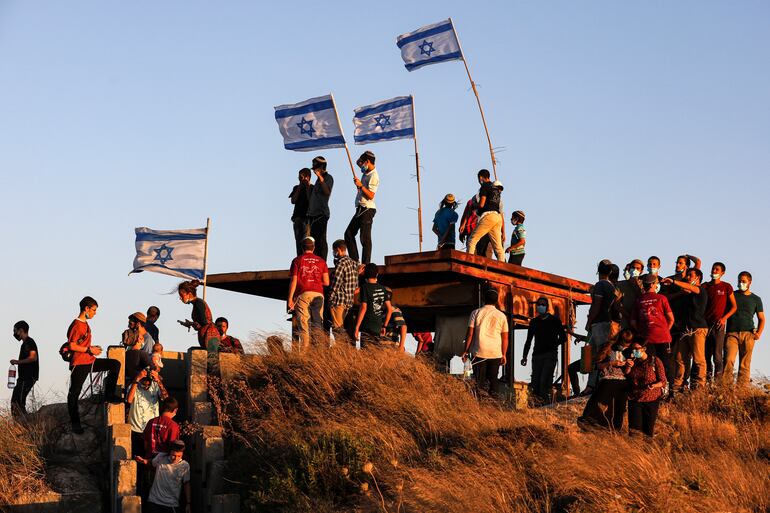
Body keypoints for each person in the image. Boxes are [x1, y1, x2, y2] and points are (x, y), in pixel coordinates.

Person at [66, 296, 122, 434]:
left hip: (89, 360)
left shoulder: (85, 324)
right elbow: (72, 345)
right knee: (74, 394)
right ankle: (75, 424)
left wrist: (92, 348)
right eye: (94, 310)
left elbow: (81, 344)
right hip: (79, 363)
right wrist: (89, 349)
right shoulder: (77, 324)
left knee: (115, 364)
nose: (95, 313)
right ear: (86, 308)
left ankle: (109, 394)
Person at [578, 329, 634, 431]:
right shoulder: (608, 348)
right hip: (608, 379)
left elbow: (627, 373)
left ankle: (615, 429)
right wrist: (611, 364)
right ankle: (591, 423)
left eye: (627, 345)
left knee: (619, 408)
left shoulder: (630, 351)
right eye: (623, 344)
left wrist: (629, 365)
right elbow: (596, 365)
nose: (625, 347)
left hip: (622, 381)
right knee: (599, 403)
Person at [631, 274, 674, 400]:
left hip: (646, 339)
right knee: (666, 364)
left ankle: (653, 391)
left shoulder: (638, 300)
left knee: (650, 365)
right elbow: (671, 319)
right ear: (653, 284)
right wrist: (665, 330)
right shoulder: (661, 298)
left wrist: (641, 332)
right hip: (663, 337)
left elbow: (633, 322)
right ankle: (670, 392)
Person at [665, 268, 709, 390]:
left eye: (691, 276)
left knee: (699, 359)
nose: (688, 278)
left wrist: (674, 282)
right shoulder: (687, 294)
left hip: (698, 329)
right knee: (680, 358)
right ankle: (678, 386)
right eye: (688, 275)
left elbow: (692, 288)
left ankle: (700, 386)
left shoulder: (701, 290)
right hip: (686, 330)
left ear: (698, 278)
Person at [462, 288, 509, 396]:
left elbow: (470, 334)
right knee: (493, 380)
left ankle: (480, 404)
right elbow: (505, 338)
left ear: (484, 299)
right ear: (497, 301)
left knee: (479, 381)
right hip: (495, 352)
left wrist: (465, 350)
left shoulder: (476, 313)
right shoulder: (502, 316)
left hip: (479, 352)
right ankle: (494, 404)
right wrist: (504, 354)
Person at [521, 297, 567, 403]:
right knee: (535, 382)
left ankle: (545, 404)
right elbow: (528, 340)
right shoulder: (534, 322)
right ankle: (536, 404)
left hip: (550, 355)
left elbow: (563, 338)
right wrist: (524, 356)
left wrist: (554, 344)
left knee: (544, 381)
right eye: (539, 304)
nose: (540, 306)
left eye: (543, 304)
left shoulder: (555, 321)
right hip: (537, 355)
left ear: (547, 307)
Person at [723, 272, 764, 386]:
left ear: (749, 282)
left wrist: (758, 333)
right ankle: (725, 389)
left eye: (743, 281)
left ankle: (742, 389)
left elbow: (761, 318)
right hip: (732, 333)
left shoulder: (756, 299)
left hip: (748, 333)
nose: (741, 283)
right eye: (739, 281)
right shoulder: (732, 295)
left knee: (745, 364)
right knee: (728, 360)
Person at [288, 236, 330, 349]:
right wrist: (315, 280)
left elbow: (294, 281)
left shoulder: (297, 260)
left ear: (302, 248)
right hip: (318, 294)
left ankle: (305, 351)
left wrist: (290, 299)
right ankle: (318, 350)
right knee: (317, 322)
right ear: (314, 248)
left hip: (303, 294)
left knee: (304, 324)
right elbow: (326, 282)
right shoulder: (321, 261)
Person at [584, 259, 616, 393]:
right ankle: (594, 384)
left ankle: (596, 385)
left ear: (598, 270)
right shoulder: (612, 286)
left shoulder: (600, 285)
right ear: (610, 271)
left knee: (597, 355)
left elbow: (596, 305)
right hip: (609, 322)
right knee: (600, 353)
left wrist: (589, 321)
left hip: (599, 323)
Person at [702, 262, 737, 381]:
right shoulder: (705, 286)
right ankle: (707, 382)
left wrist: (723, 318)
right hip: (705, 325)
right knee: (706, 355)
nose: (714, 271)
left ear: (722, 273)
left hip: (719, 325)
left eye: (717, 269)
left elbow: (734, 307)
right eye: (713, 269)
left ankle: (718, 384)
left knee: (717, 356)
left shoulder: (726, 287)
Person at [177, 280, 220, 371]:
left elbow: (204, 322)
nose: (180, 298)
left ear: (188, 294)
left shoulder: (198, 303)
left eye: (181, 295)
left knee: (212, 367)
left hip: (210, 337)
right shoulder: (196, 303)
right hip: (208, 337)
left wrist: (191, 323)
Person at [626, 341, 667, 438]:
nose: (634, 351)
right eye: (633, 349)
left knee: (648, 430)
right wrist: (628, 367)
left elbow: (663, 380)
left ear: (644, 349)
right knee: (634, 431)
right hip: (635, 398)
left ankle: (646, 451)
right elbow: (627, 377)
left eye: (637, 349)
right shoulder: (633, 362)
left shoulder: (654, 361)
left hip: (651, 399)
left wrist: (654, 385)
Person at [344, 151, 379, 264]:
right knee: (348, 234)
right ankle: (355, 260)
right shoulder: (366, 173)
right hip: (360, 208)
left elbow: (371, 195)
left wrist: (361, 186)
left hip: (367, 209)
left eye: (362, 163)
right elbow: (357, 162)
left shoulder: (374, 175)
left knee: (365, 238)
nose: (360, 166)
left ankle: (365, 263)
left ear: (368, 162)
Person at [127, 368, 168, 459]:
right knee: (136, 458)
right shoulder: (134, 385)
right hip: (136, 429)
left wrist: (158, 381)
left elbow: (166, 399)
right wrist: (137, 380)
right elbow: (129, 400)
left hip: (152, 429)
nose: (146, 387)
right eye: (144, 384)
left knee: (152, 459)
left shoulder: (155, 385)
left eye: (148, 385)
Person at [144, 440, 191, 513]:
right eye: (173, 455)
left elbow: (186, 483)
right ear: (169, 452)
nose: (175, 458)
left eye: (179, 456)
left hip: (171, 504)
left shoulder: (185, 465)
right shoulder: (161, 457)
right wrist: (143, 461)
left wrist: (188, 503)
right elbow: (151, 463)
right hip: (154, 501)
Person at [467, 171, 505, 261]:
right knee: (498, 248)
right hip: (497, 217)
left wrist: (474, 206)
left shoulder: (484, 186)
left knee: (472, 240)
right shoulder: (495, 188)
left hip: (488, 216)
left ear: (481, 177)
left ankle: (468, 264)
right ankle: (503, 268)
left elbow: (481, 204)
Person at [327, 239, 359, 343]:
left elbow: (336, 282)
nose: (334, 253)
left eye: (334, 251)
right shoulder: (354, 264)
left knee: (337, 329)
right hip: (349, 302)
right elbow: (356, 286)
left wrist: (330, 297)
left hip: (338, 301)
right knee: (344, 328)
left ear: (339, 250)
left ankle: (341, 351)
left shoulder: (341, 263)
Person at [354, 263, 393, 348]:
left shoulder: (365, 287)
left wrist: (357, 326)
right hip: (378, 327)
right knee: (374, 353)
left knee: (365, 353)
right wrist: (384, 326)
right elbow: (390, 309)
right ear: (377, 274)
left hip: (367, 326)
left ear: (365, 275)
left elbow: (363, 308)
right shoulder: (383, 289)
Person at [306, 156, 334, 261]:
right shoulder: (317, 181)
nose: (314, 171)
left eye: (316, 168)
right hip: (313, 214)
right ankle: (317, 261)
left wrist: (321, 178)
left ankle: (322, 261)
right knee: (314, 240)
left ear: (322, 167)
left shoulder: (328, 178)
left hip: (321, 213)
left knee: (321, 239)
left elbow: (327, 192)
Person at [10, 321, 38, 417]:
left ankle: (24, 424)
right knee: (15, 401)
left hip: (28, 377)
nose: (14, 333)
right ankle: (19, 423)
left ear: (21, 330)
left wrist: (17, 362)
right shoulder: (24, 344)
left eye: (15, 331)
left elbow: (33, 357)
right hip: (22, 378)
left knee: (19, 402)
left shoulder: (29, 342)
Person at [142, 396, 180, 460]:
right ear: (175, 410)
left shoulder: (151, 422)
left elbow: (145, 444)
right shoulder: (173, 425)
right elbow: (174, 447)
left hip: (149, 459)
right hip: (164, 462)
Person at [289, 167, 313, 256]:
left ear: (308, 177)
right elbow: (293, 200)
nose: (300, 178)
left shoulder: (312, 187)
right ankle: (299, 258)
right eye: (299, 177)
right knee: (298, 241)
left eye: (302, 176)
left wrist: (307, 186)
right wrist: (300, 187)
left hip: (307, 218)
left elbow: (311, 200)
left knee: (306, 241)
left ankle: (306, 258)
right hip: (297, 218)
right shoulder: (296, 188)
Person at [124, 312, 153, 385]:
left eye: (131, 323)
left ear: (138, 324)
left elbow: (146, 363)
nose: (128, 326)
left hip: (138, 380)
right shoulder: (132, 337)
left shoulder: (147, 339)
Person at [458, 191, 489, 256]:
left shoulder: (488, 204)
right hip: (471, 231)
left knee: (480, 253)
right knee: (472, 252)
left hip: (481, 231)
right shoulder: (471, 202)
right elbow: (465, 215)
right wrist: (462, 230)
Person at [616, 259, 645, 330]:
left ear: (641, 271)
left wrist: (634, 283)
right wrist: (629, 316)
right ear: (629, 269)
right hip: (625, 322)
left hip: (641, 321)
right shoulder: (620, 284)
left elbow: (644, 299)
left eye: (638, 268)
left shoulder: (644, 284)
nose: (635, 270)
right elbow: (617, 304)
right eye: (633, 268)